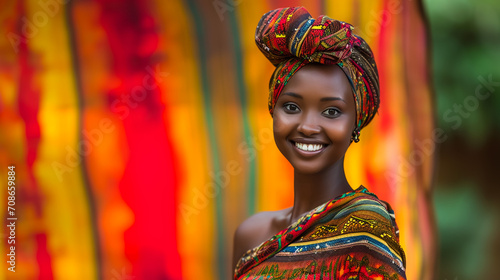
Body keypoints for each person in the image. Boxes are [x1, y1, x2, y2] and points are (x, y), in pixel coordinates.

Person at [232, 7, 407, 279]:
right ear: (272, 110)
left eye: (331, 112)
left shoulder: (367, 237)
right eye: (291, 107)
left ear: (356, 122)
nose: (308, 126)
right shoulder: (250, 235)